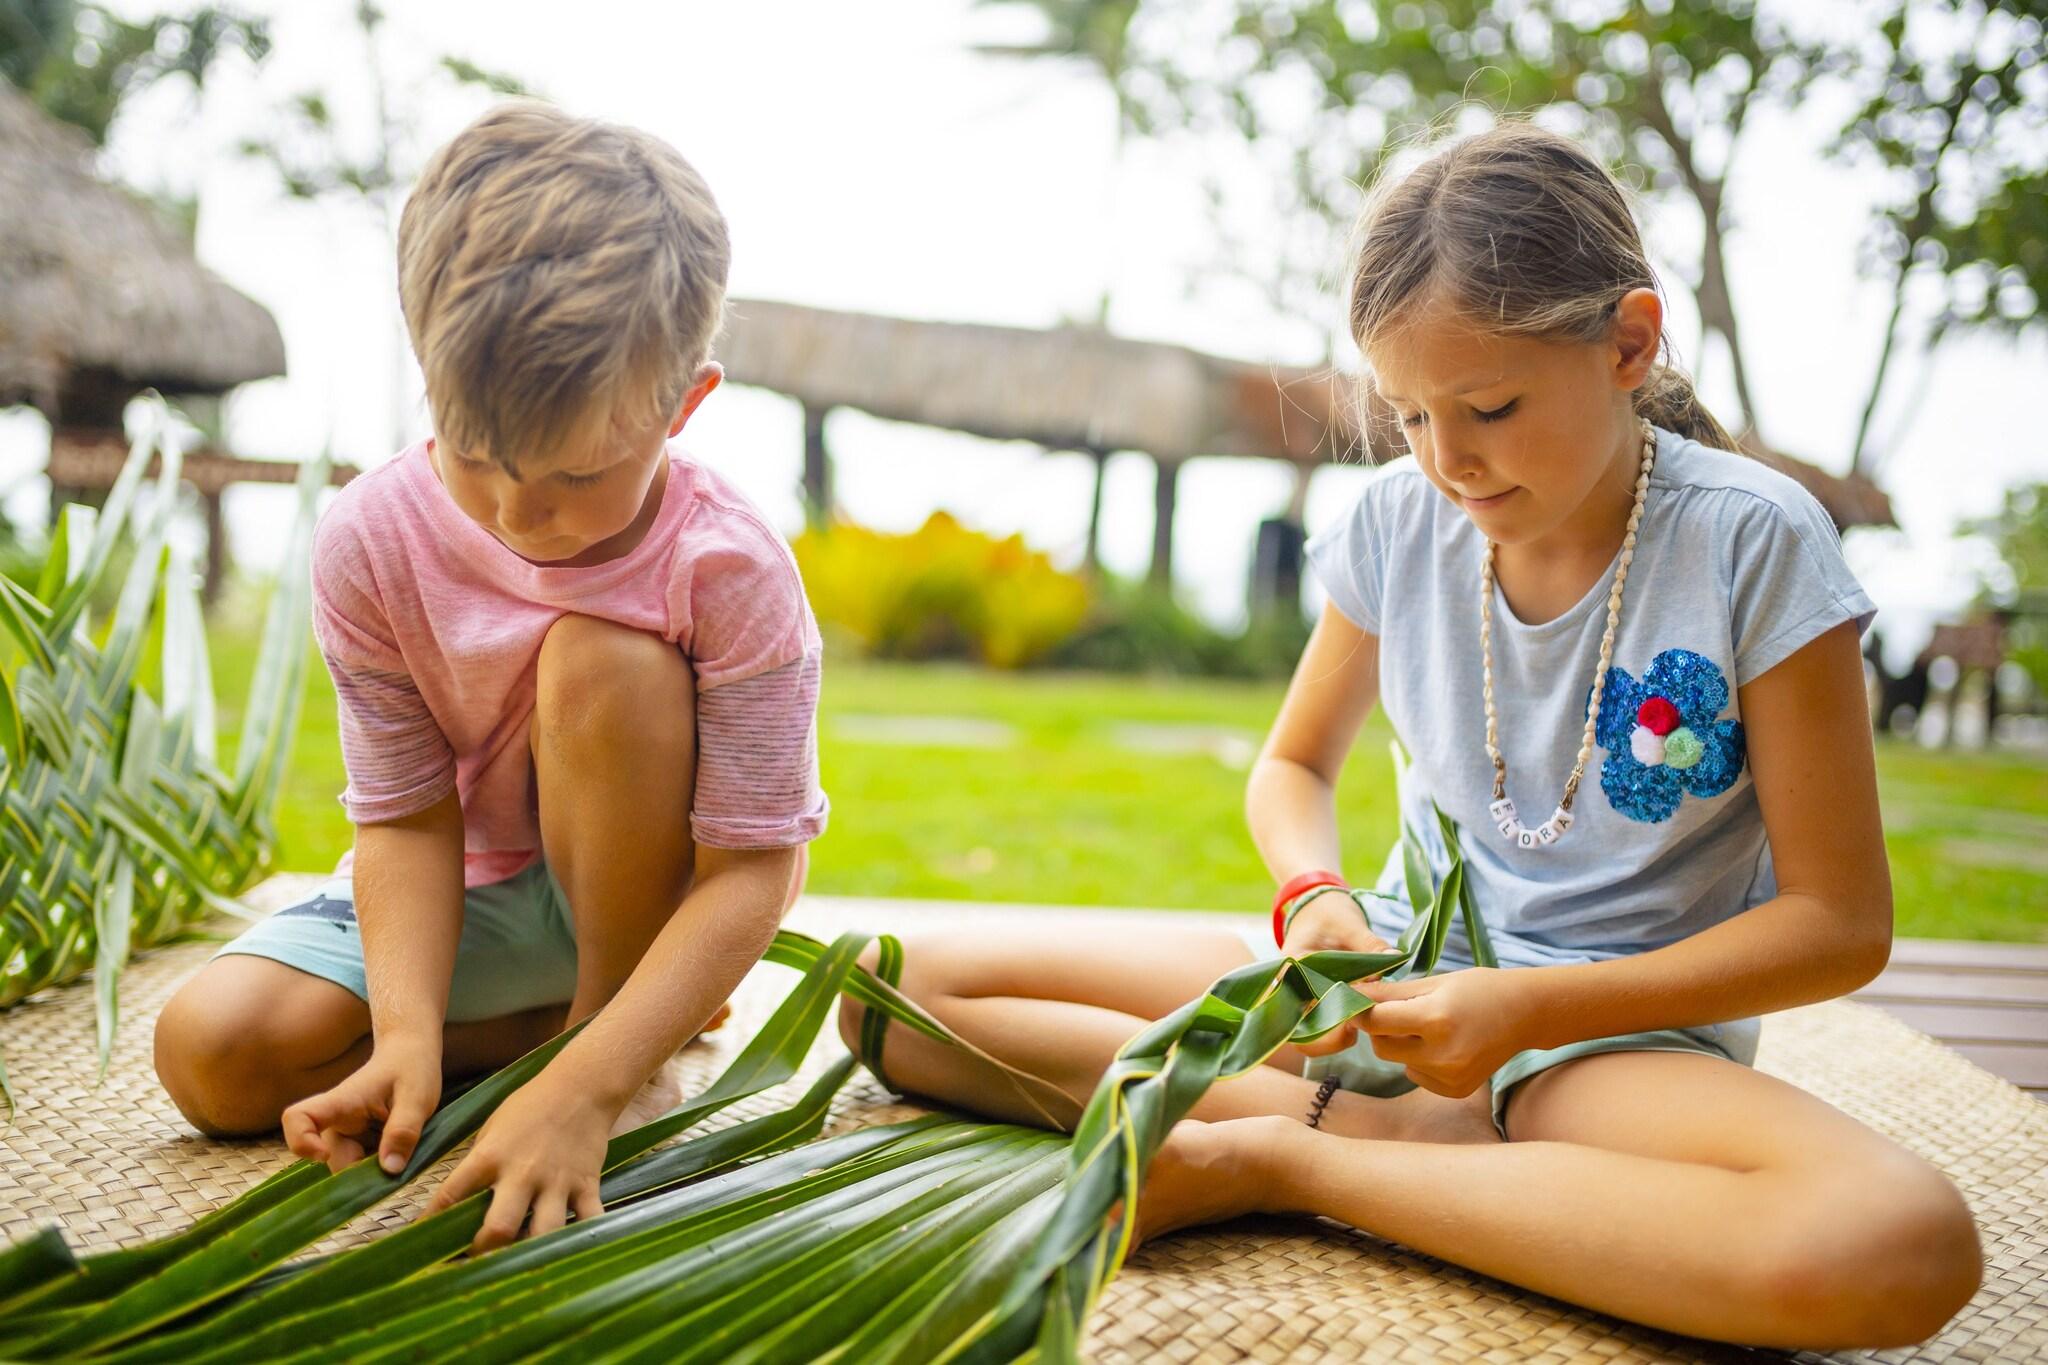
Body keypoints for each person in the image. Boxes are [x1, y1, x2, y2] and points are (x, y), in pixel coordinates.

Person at [838, 122, 1980, 1349]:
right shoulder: (1396, 522)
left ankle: (1289, 1162)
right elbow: (1291, 766)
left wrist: (1530, 1013)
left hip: (1606, 1046)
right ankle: (1407, 1137)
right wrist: (1318, 902)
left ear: (1628, 344)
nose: (1447, 461)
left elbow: (1838, 925)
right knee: (884, 988)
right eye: (1407, 416)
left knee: (1894, 1244)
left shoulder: (1755, 542)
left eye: (1486, 406)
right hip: (1374, 999)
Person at [156, 101, 828, 1251]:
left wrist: (589, 1090)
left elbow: (752, 873)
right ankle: (550, 1031)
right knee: (209, 1055)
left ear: (683, 403)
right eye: (476, 458)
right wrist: (404, 1038)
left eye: (575, 471)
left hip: (638, 889)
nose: (522, 517)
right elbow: (407, 825)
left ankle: (607, 1043)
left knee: (600, 656)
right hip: (466, 888)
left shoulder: (729, 568)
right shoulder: (370, 540)